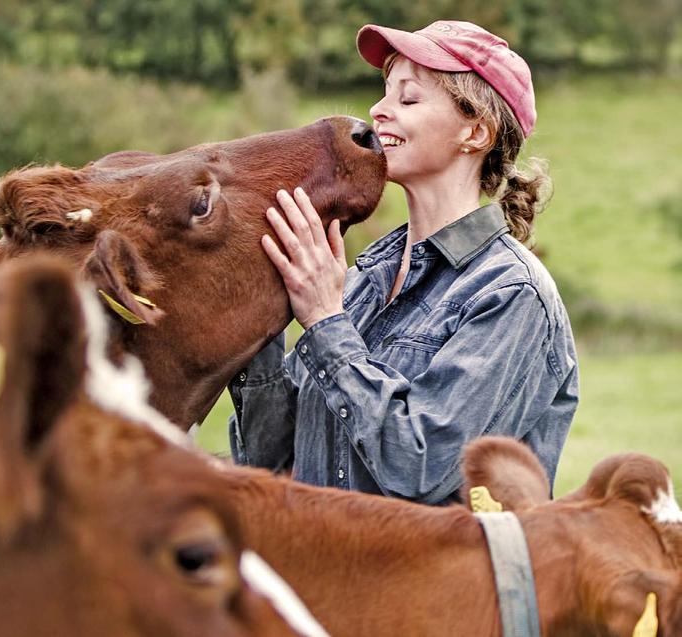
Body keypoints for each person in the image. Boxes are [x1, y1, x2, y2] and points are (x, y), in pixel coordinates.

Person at [228, 20, 579, 505]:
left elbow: (421, 465)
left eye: (408, 99)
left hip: (434, 582)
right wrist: (257, 314)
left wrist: (326, 322)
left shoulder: (512, 295)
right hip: (317, 577)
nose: (378, 110)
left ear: (475, 131)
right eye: (385, 93)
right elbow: (271, 463)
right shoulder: (357, 283)